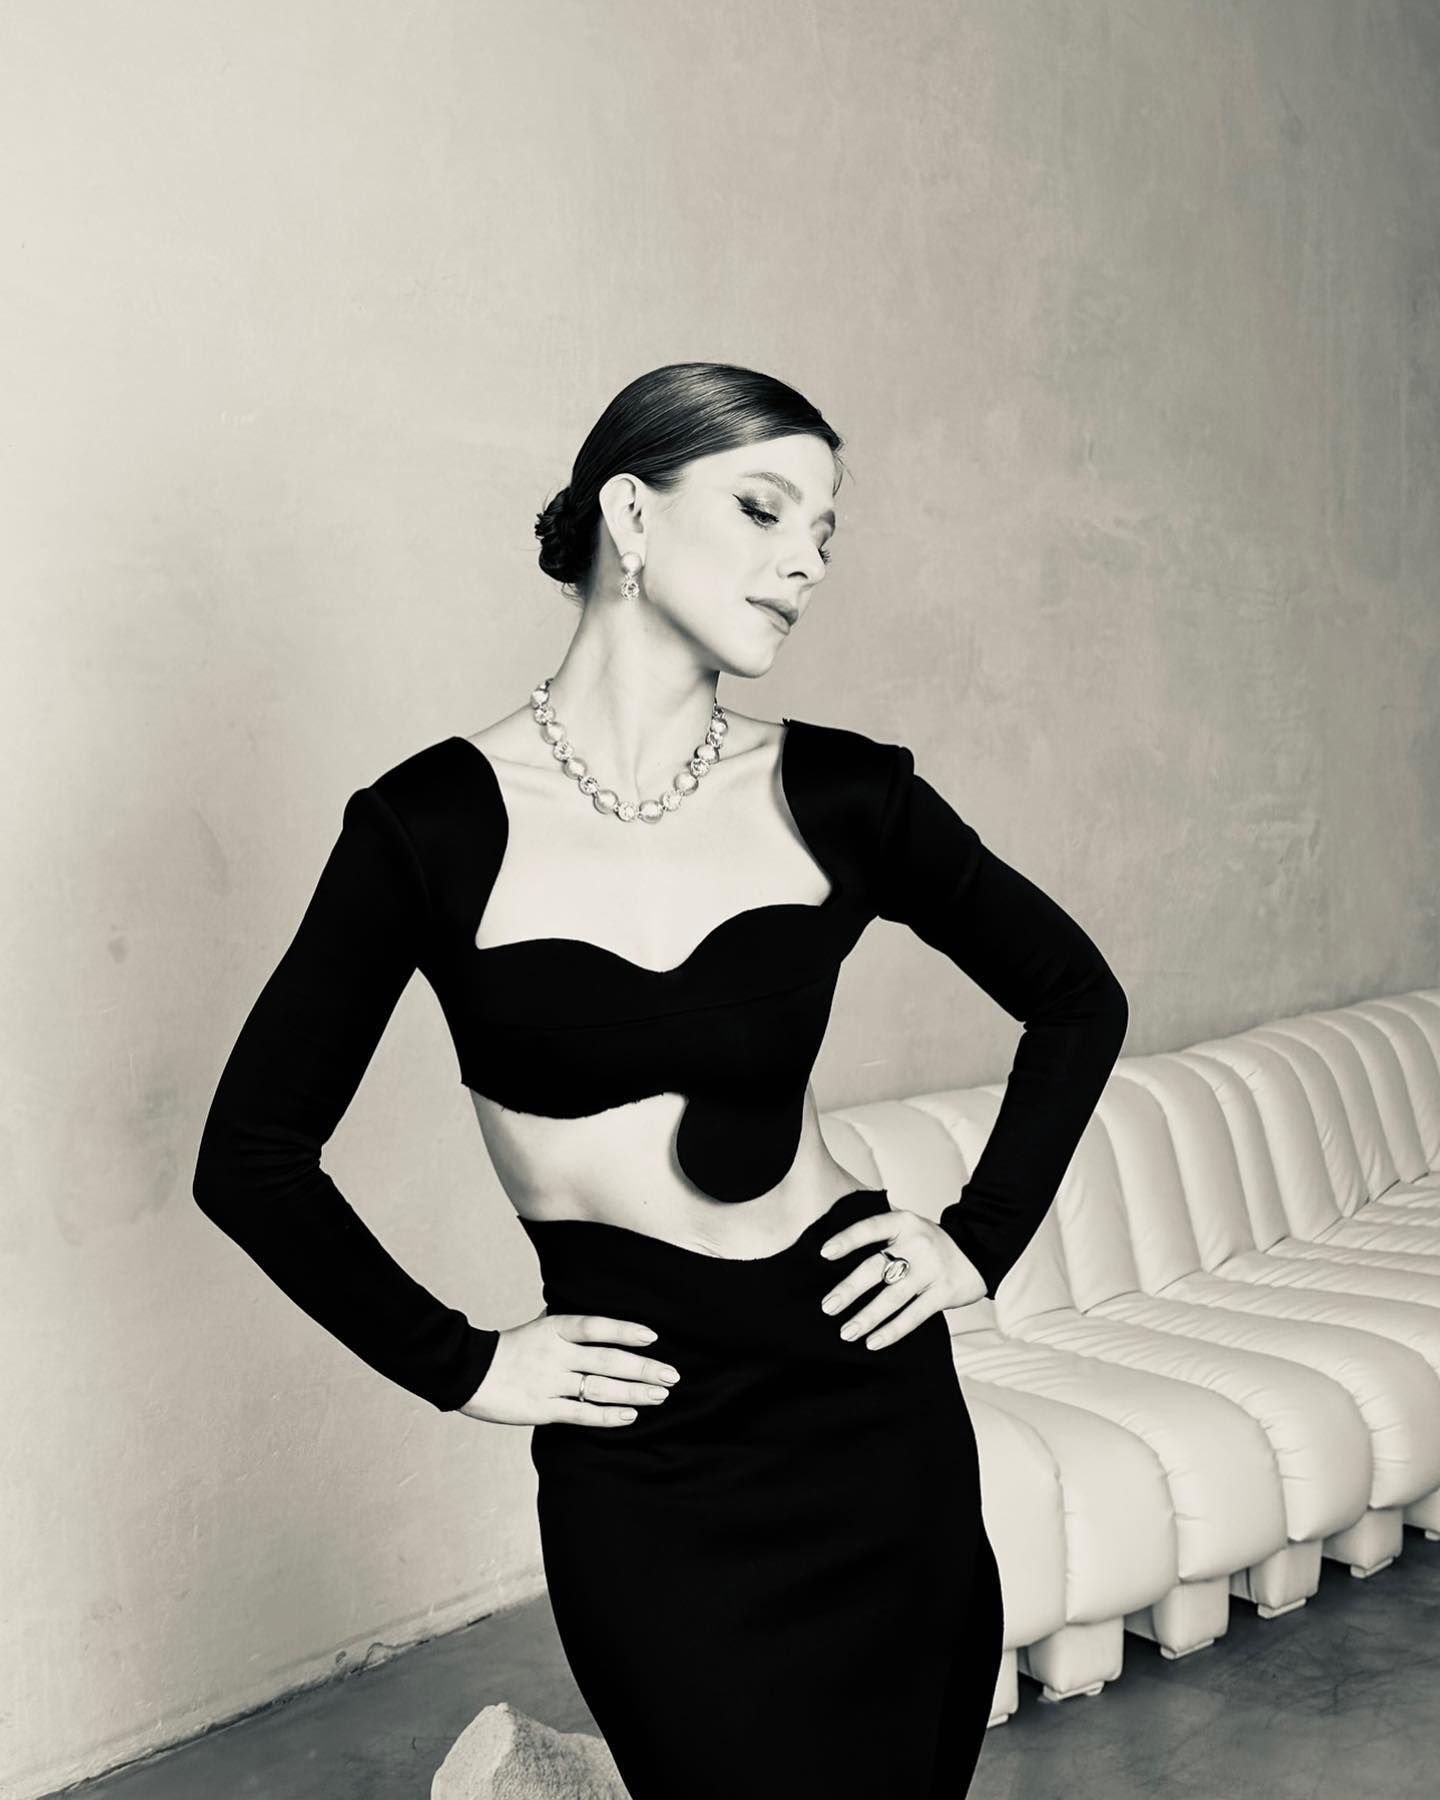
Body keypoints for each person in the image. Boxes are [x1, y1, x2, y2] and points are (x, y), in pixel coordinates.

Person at [192, 360, 1129, 1797]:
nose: (807, 560)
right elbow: (251, 1156)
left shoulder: (844, 794)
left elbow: (1076, 997)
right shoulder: (429, 827)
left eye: (825, 529)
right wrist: (465, 1365)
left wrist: (978, 1239)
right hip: (646, 1434)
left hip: (865, 1401)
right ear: (630, 516)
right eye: (763, 509)